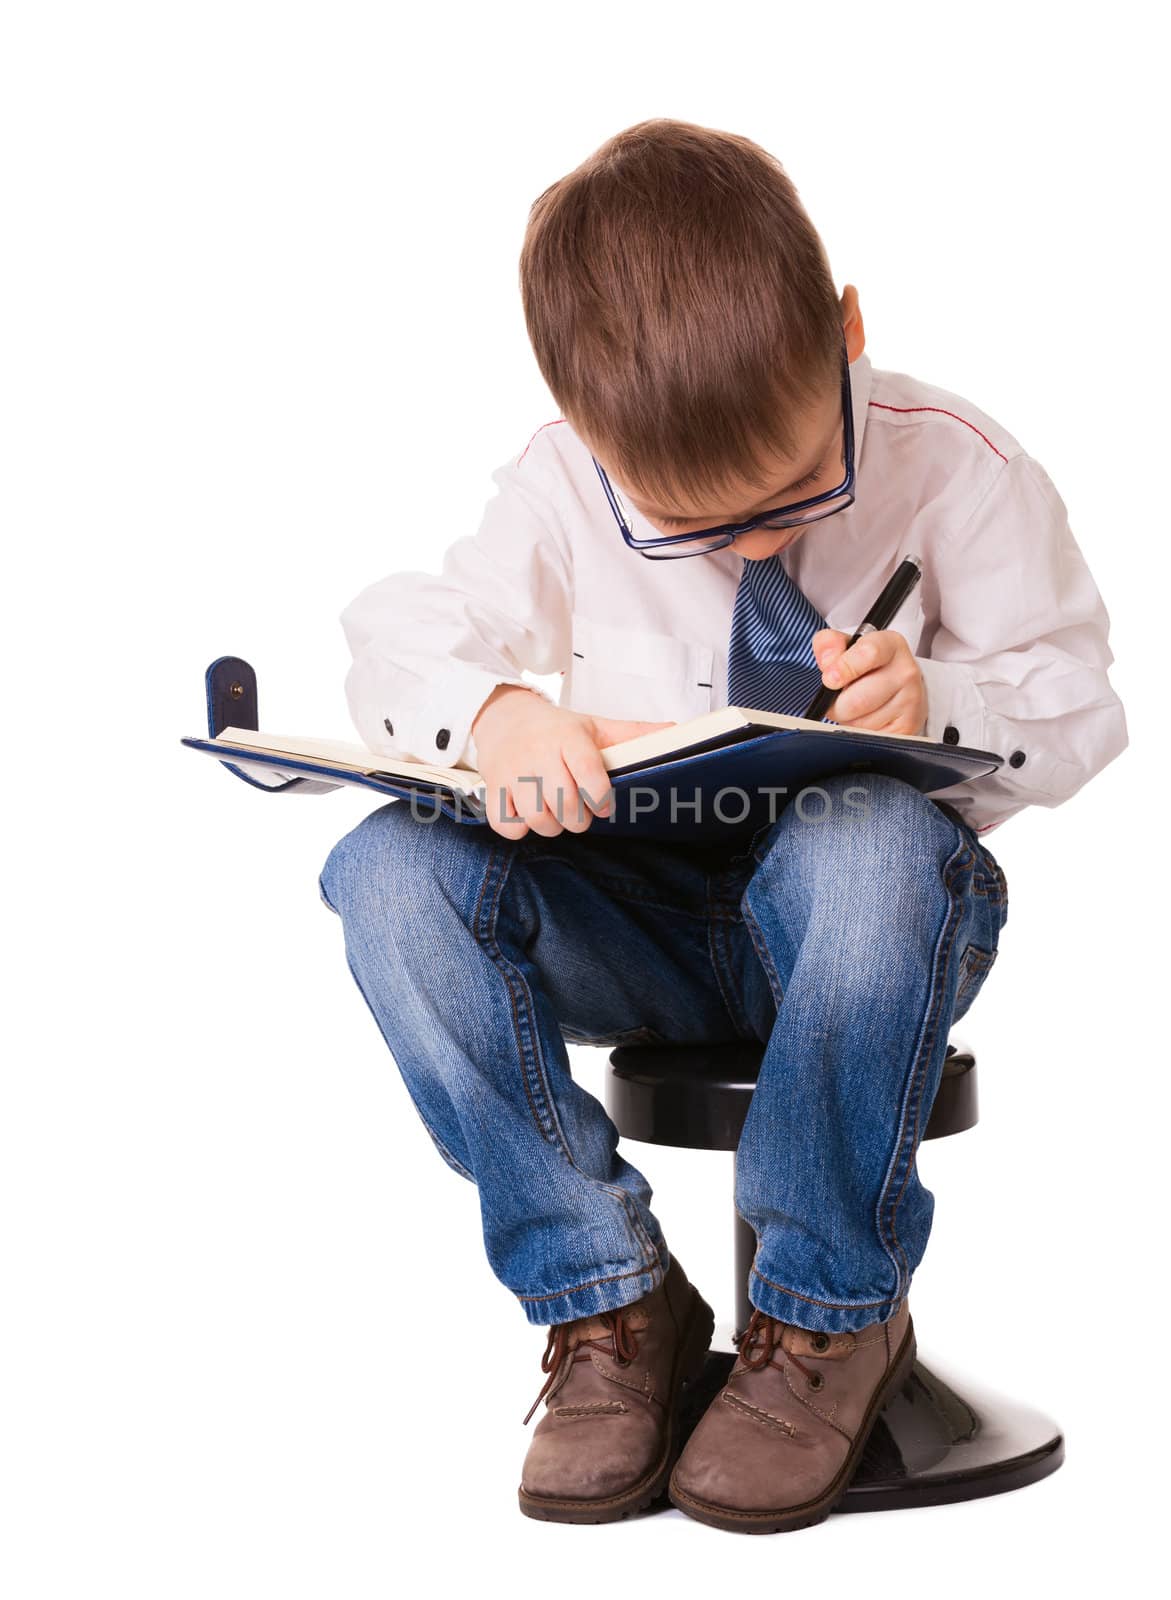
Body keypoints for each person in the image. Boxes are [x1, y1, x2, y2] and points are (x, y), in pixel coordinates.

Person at [316, 118, 1128, 1535]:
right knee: (382, 873)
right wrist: (497, 714)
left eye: (794, 495)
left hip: (866, 921)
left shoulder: (960, 470)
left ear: (846, 334)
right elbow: (402, 637)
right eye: (692, 526)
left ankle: (826, 1319)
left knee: (864, 843)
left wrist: (933, 696)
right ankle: (608, 1302)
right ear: (592, 434)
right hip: (639, 926)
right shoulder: (562, 479)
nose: (753, 548)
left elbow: (1077, 711)